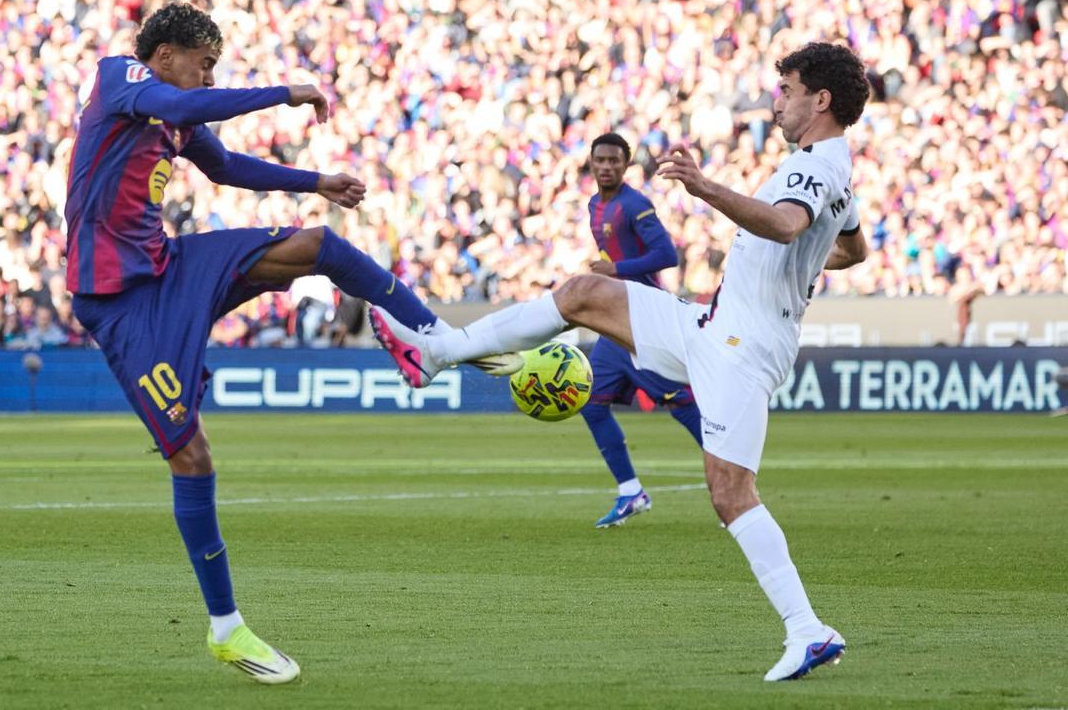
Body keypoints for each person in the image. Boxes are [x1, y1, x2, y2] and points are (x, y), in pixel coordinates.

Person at [371, 42, 870, 682]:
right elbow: (851, 248)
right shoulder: (832, 168)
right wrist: (803, 261)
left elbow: (782, 224)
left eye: (788, 90)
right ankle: (438, 351)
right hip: (712, 326)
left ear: (820, 99)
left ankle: (807, 630)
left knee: (729, 494)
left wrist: (703, 186)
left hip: (744, 349)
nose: (777, 102)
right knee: (584, 293)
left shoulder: (814, 170)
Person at [65, 2, 516, 685]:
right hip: (118, 301)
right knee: (192, 457)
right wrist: (284, 90)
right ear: (165, 55)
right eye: (204, 63)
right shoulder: (120, 78)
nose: (210, 76)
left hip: (169, 266)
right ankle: (226, 630)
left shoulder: (178, 124)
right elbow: (181, 110)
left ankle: (434, 338)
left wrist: (316, 182)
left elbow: (226, 168)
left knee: (318, 244)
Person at [580, 132, 703, 529]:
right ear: (592, 162)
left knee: (681, 404)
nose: (606, 166)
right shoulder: (594, 205)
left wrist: (615, 270)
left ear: (626, 164)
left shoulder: (635, 205)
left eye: (614, 160)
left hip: (645, 320)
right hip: (615, 320)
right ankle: (630, 491)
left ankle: (737, 482)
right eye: (600, 160)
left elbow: (665, 254)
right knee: (591, 402)